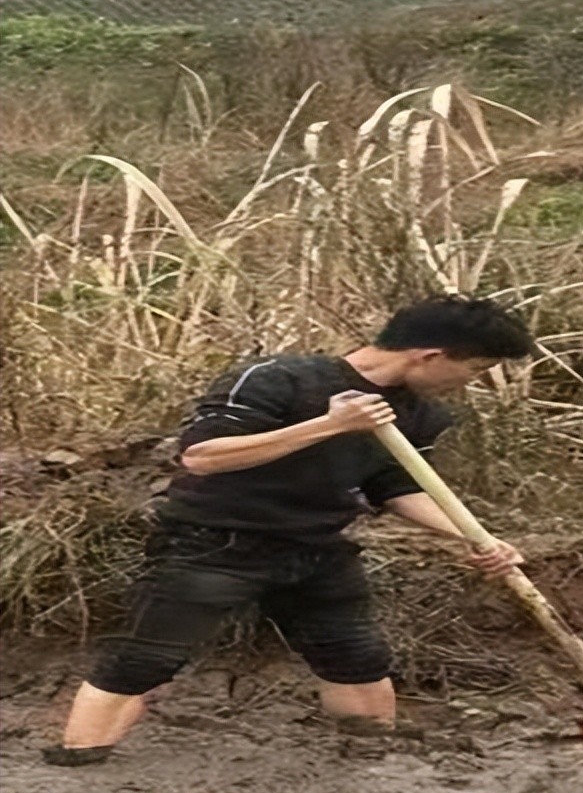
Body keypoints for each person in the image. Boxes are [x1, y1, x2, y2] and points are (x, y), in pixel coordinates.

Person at [44, 296, 533, 766]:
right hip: (215, 542)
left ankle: (372, 765)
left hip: (318, 548)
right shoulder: (277, 378)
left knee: (357, 659)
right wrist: (330, 424)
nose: (469, 382)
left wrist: (475, 538)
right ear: (431, 355)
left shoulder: (420, 413)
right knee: (143, 661)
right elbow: (204, 456)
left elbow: (396, 486)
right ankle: (80, 761)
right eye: (473, 369)